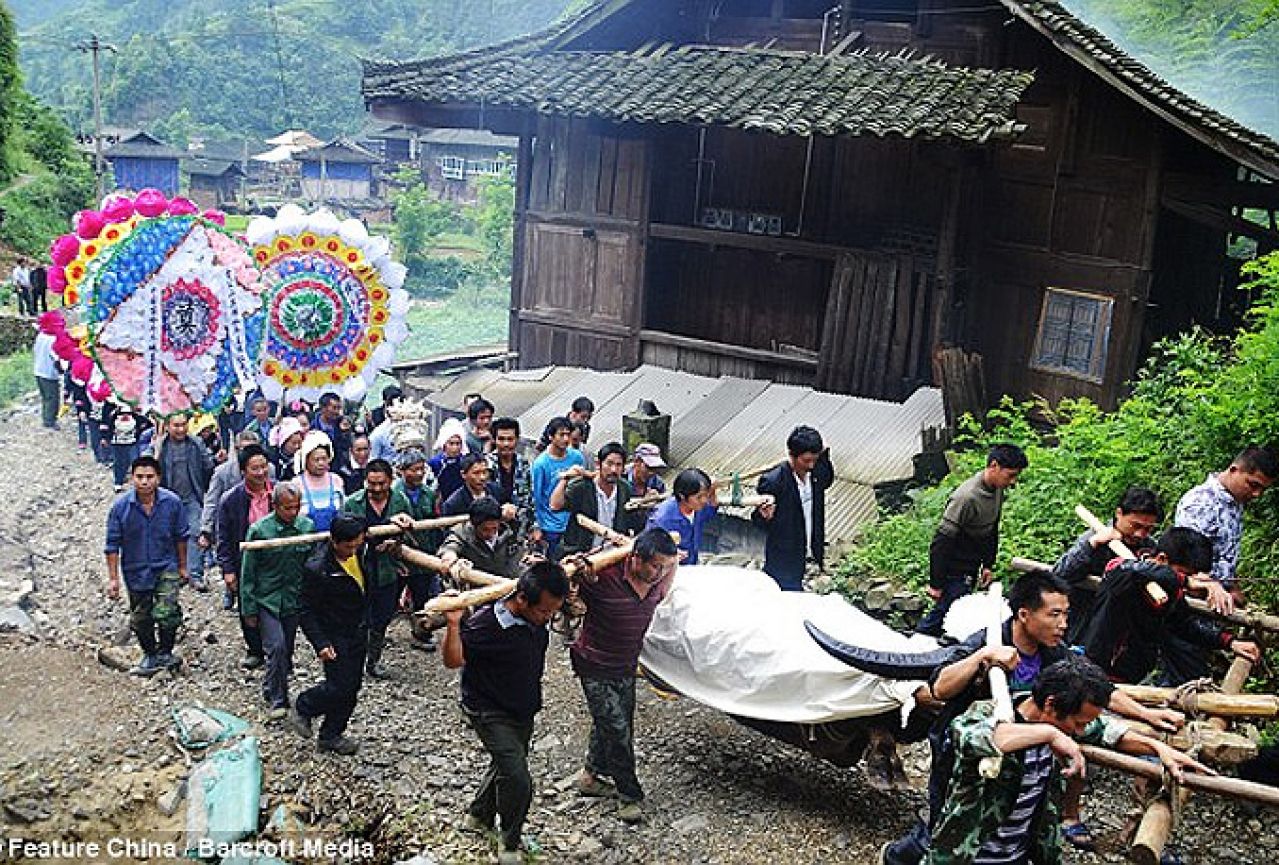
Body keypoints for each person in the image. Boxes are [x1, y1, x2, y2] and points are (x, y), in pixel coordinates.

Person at [880, 571, 1185, 865]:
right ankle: (895, 856)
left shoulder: (1054, 652)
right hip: (971, 750)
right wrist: (982, 657)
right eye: (1054, 615)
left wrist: (1147, 715)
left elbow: (1097, 690)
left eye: (1066, 615)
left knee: (1013, 820)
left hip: (1023, 754)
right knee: (948, 823)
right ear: (1024, 614)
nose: (1063, 624)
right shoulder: (988, 640)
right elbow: (940, 687)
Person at [925, 654, 1210, 865]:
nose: (1081, 731)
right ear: (1050, 705)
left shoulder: (1064, 724)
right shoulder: (987, 714)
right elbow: (984, 738)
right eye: (1078, 722)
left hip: (1018, 855)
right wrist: (1050, 734)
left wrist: (1158, 748)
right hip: (966, 855)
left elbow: (1110, 732)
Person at [442, 559, 570, 865]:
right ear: (522, 599)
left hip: (522, 707)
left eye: (553, 611)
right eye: (543, 611)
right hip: (487, 709)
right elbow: (453, 660)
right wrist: (453, 624)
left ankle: (478, 815)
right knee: (518, 777)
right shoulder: (485, 625)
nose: (548, 617)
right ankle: (509, 843)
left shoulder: (537, 616)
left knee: (506, 763)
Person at [571, 527, 679, 823]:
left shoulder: (657, 581)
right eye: (655, 565)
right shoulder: (604, 576)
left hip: (625, 666)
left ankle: (590, 777)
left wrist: (672, 561)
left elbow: (667, 579)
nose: (659, 573)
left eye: (664, 567)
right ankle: (630, 795)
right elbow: (569, 581)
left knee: (612, 721)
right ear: (634, 558)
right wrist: (580, 570)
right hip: (593, 664)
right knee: (618, 730)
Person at [1082, 527, 1260, 686]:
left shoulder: (1172, 591)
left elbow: (1183, 625)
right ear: (1161, 559)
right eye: (1184, 573)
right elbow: (1124, 569)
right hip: (1098, 673)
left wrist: (1230, 642)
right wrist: (1186, 581)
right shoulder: (1125, 573)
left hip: (1132, 677)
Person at [916, 443, 1027, 636]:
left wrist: (988, 564)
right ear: (994, 466)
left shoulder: (997, 490)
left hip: (972, 563)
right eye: (1010, 475)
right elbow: (941, 541)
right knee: (945, 613)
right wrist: (936, 583)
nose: (1013, 482)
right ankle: (914, 646)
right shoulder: (966, 498)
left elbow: (992, 528)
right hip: (955, 565)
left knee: (953, 613)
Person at [289, 514, 372, 755]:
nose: (353, 550)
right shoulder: (318, 569)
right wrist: (320, 642)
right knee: (339, 686)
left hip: (358, 629)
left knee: (352, 686)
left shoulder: (363, 553)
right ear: (334, 542)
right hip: (335, 634)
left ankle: (331, 734)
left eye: (358, 544)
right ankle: (305, 705)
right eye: (349, 546)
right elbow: (305, 609)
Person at [104, 455, 189, 677]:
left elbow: (181, 537)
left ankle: (166, 652)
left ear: (158, 478)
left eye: (149, 477)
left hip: (166, 566)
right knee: (141, 617)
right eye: (139, 477)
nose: (144, 482)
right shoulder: (121, 508)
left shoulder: (172, 503)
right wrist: (113, 579)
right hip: (135, 569)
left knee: (167, 611)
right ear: (132, 478)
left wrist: (182, 566)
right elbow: (112, 545)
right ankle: (150, 654)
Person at [240, 483, 315, 719]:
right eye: (287, 508)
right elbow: (248, 573)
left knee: (287, 650)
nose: (293, 513)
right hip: (267, 599)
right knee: (277, 647)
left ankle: (271, 684)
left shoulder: (307, 527)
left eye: (296, 507)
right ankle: (278, 699)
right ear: (275, 506)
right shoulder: (260, 530)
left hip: (293, 599)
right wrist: (248, 608)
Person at [1050, 486, 1160, 644]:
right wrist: (1092, 545)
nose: (1140, 534)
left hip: (1125, 635)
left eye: (1148, 529)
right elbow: (1058, 575)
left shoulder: (1150, 548)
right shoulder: (1095, 538)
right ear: (1119, 513)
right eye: (1135, 526)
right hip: (1085, 629)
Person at [1175, 446, 1276, 613]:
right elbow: (1185, 563)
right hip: (1195, 604)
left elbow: (1224, 554)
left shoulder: (1235, 504)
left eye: (1262, 489)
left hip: (1220, 602)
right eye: (1253, 485)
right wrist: (1211, 586)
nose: (1256, 494)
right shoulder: (1200, 503)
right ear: (1234, 470)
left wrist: (1232, 587)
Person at [342, 458, 415, 678]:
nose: (376, 489)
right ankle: (352, 659)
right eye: (371, 484)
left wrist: (397, 542)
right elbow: (343, 534)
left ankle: (373, 660)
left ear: (390, 481)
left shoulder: (400, 500)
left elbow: (412, 534)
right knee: (356, 616)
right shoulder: (353, 502)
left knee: (382, 617)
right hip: (359, 567)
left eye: (381, 484)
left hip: (387, 569)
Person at [752, 426, 834, 591]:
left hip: (812, 557)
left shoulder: (818, 472)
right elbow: (758, 520)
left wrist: (824, 454)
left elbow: (828, 479)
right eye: (805, 461)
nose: (810, 465)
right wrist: (765, 516)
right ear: (791, 455)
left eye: (814, 460)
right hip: (784, 562)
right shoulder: (774, 481)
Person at [216, 444, 274, 669]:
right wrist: (228, 570)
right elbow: (224, 538)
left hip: (274, 559)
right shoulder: (231, 500)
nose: (260, 472)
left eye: (263, 467)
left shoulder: (278, 492)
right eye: (254, 468)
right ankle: (255, 649)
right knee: (247, 603)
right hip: (246, 561)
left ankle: (278, 651)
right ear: (243, 471)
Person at [200, 429, 267, 607]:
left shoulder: (269, 471)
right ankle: (232, 592)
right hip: (236, 526)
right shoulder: (223, 473)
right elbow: (212, 501)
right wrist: (206, 528)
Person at [152, 414, 215, 593]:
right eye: (176, 426)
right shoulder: (160, 445)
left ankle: (194, 574)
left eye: (183, 425)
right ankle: (175, 573)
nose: (180, 429)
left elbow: (207, 467)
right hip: (166, 499)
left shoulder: (195, 444)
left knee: (195, 533)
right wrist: (155, 453)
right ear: (167, 426)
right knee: (171, 535)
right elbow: (148, 468)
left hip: (191, 497)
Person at [553, 443, 642, 556]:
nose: (613, 470)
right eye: (609, 464)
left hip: (612, 554)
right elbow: (555, 505)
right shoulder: (582, 487)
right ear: (598, 464)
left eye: (618, 465)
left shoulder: (625, 489)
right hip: (581, 553)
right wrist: (565, 479)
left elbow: (634, 522)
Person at [394, 448, 442, 649]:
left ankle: (421, 633)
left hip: (423, 553)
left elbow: (434, 522)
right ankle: (375, 635)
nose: (419, 474)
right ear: (403, 471)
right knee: (389, 596)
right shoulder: (394, 494)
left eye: (421, 469)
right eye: (414, 470)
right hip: (398, 555)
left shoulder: (429, 494)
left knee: (422, 597)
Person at [531, 417, 587, 557]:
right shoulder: (541, 464)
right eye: (561, 435)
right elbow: (536, 496)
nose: (565, 439)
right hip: (551, 523)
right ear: (551, 436)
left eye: (568, 434)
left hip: (573, 519)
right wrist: (537, 525)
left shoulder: (577, 457)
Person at [438, 497, 524, 580]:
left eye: (494, 528)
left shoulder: (510, 531)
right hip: (479, 589)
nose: (490, 534)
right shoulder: (462, 534)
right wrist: (449, 556)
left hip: (510, 585)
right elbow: (451, 545)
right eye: (485, 529)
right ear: (473, 525)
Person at [647, 468, 718, 565]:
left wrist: (712, 491)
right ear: (682, 496)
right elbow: (648, 550)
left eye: (706, 495)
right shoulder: (661, 518)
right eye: (699, 497)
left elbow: (711, 510)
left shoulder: (698, 508)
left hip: (692, 564)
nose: (704, 500)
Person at [487, 417, 536, 542]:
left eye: (510, 439)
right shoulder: (486, 465)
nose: (506, 444)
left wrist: (534, 526)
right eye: (501, 439)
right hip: (492, 529)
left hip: (521, 529)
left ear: (517, 440)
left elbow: (531, 498)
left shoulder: (524, 464)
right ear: (494, 440)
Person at [295, 430, 345, 532]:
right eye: (316, 459)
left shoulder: (336, 480)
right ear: (306, 460)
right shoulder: (296, 484)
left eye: (324, 459)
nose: (321, 463)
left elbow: (343, 510)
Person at [103, 399, 150, 491]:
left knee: (135, 461)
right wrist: (105, 437)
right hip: (117, 442)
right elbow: (106, 422)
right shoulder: (111, 407)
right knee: (119, 462)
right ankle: (118, 482)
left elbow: (143, 421)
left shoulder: (135, 408)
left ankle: (138, 483)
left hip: (132, 442)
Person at [443, 452, 508, 518]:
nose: (482, 477)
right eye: (476, 473)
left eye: (484, 472)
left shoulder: (497, 491)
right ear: (463, 474)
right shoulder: (453, 504)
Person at [32, 313, 62, 430]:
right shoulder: (53, 339)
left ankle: (45, 417)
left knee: (45, 396)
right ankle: (50, 421)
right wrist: (61, 370)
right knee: (52, 398)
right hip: (49, 373)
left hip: (38, 370)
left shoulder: (40, 336)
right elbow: (55, 357)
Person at [430, 418, 469, 504]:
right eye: (451, 443)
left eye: (458, 443)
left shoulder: (465, 462)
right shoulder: (435, 463)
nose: (455, 448)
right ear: (444, 444)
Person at [312, 391, 352, 466]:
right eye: (334, 408)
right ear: (323, 408)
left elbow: (347, 447)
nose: (337, 412)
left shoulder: (343, 424)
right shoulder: (312, 427)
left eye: (339, 408)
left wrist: (344, 433)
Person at [272, 417, 305, 482]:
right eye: (294, 443)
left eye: (299, 442)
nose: (297, 446)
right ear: (283, 442)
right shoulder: (273, 458)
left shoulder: (303, 459)